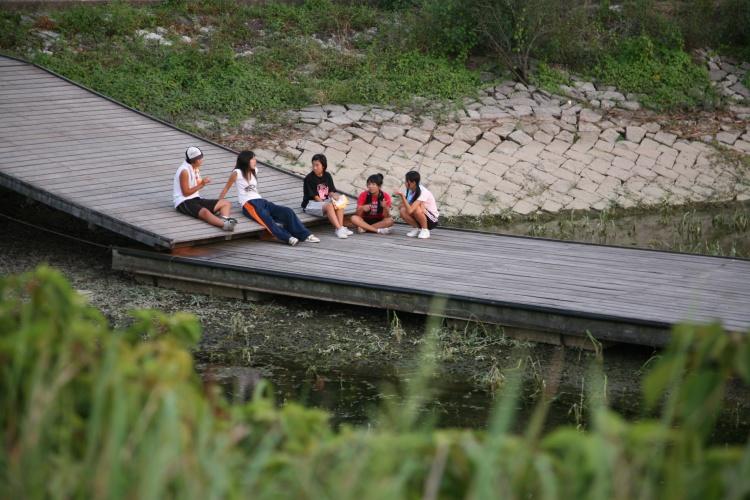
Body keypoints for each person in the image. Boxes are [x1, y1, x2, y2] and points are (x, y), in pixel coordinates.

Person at [219, 151, 320, 246]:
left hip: (262, 201)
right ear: (246, 160)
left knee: (287, 211)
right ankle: (287, 237)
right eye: (253, 159)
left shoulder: (255, 171)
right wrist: (218, 203)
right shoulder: (237, 173)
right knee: (266, 219)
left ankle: (305, 235)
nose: (255, 161)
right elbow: (226, 188)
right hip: (249, 204)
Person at [173, 146, 236, 231]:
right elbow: (185, 193)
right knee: (205, 212)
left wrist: (203, 182)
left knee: (225, 203)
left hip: (196, 198)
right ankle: (224, 225)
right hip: (183, 201)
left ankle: (226, 220)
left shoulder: (195, 167)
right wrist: (202, 184)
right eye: (199, 159)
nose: (201, 160)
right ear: (194, 160)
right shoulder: (184, 171)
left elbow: (196, 184)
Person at [301, 153, 351, 239]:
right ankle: (339, 229)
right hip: (311, 204)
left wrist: (334, 196)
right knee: (329, 206)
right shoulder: (309, 178)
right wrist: (326, 204)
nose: (314, 167)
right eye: (313, 165)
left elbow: (331, 191)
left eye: (317, 165)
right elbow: (315, 197)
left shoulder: (327, 175)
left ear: (323, 166)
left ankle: (341, 227)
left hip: (324, 201)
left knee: (340, 202)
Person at [393, 170, 439, 239]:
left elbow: (410, 210)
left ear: (413, 182)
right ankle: (417, 228)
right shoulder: (408, 190)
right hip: (420, 216)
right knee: (402, 210)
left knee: (416, 208)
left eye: (407, 181)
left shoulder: (423, 191)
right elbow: (401, 206)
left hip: (431, 220)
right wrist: (404, 202)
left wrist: (402, 196)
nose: (405, 183)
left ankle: (425, 230)